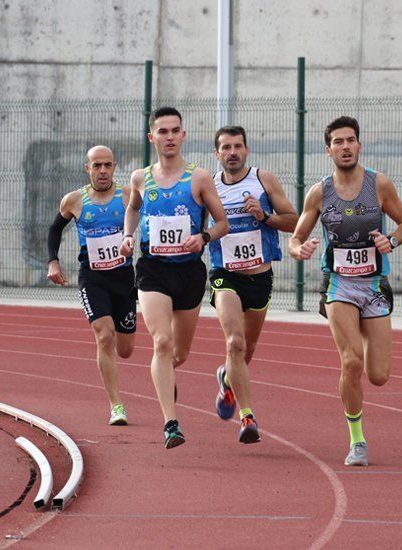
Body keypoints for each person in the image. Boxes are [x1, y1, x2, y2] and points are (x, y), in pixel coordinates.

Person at [288, 116, 402, 466]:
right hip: (339, 285)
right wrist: (300, 250)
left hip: (374, 285)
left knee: (379, 375)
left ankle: (367, 337)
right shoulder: (320, 192)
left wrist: (391, 241)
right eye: (338, 142)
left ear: (359, 145)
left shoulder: (380, 185)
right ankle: (357, 440)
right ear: (328, 149)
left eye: (351, 140)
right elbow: (295, 239)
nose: (345, 147)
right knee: (351, 360)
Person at [119, 107, 228, 449]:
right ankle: (171, 423)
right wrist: (127, 235)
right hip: (153, 269)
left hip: (189, 272)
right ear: (152, 137)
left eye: (174, 131)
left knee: (178, 354)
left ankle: (168, 376)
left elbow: (222, 223)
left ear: (183, 136)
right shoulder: (141, 178)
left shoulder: (199, 178)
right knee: (161, 342)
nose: (168, 137)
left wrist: (205, 237)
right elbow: (134, 207)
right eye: (162, 131)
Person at [208, 126, 298, 444]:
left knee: (248, 349)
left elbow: (294, 220)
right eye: (225, 147)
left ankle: (227, 378)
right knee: (235, 343)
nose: (232, 152)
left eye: (237, 146)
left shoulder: (263, 180)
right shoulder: (209, 186)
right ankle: (247, 417)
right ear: (217, 153)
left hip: (260, 276)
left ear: (246, 150)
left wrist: (265, 216)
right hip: (225, 275)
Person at [47, 145, 136, 425]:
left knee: (125, 349)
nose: (102, 171)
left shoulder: (127, 197)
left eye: (107, 165)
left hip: (123, 277)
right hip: (93, 277)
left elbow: (148, 221)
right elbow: (54, 229)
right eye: (96, 166)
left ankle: (116, 394)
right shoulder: (74, 201)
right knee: (104, 335)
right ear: (87, 168)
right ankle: (116, 405)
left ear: (115, 167)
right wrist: (53, 261)